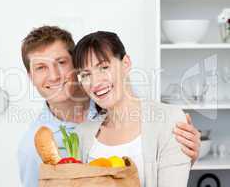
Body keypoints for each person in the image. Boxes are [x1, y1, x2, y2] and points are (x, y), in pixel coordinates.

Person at [18, 26, 201, 187]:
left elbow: (153, 128)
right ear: (30, 76)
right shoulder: (35, 147)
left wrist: (180, 158)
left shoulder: (116, 94)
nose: (54, 75)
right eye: (41, 67)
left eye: (61, 62)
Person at [73, 31, 193, 187]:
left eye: (104, 67)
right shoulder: (81, 135)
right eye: (85, 74)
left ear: (126, 63)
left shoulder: (170, 121)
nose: (95, 82)